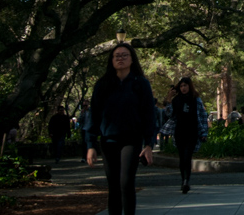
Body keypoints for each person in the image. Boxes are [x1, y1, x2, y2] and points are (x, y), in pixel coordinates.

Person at [86, 42, 156, 215]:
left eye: (125, 55)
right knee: (114, 186)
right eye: (117, 56)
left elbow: (149, 115)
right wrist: (90, 145)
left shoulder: (141, 84)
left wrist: (149, 144)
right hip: (108, 140)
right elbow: (94, 115)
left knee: (126, 183)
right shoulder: (103, 84)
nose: (120, 59)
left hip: (131, 141)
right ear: (111, 60)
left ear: (132, 59)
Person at [171, 76, 207, 194]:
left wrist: (203, 133)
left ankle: (187, 180)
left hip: (192, 132)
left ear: (189, 86)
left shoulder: (196, 100)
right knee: (182, 158)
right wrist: (169, 98)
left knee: (187, 156)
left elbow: (202, 116)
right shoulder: (176, 100)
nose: (183, 88)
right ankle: (183, 181)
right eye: (181, 86)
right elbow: (170, 115)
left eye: (185, 85)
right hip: (179, 132)